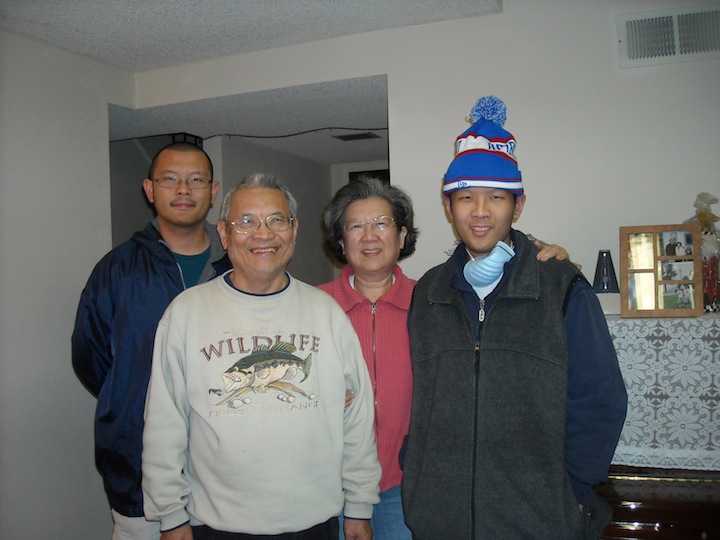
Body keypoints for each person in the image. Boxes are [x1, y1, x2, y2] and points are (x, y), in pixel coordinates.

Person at [401, 96, 628, 539]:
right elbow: (419, 397)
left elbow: (601, 401)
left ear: (517, 206)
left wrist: (572, 490)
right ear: (448, 207)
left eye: (496, 197)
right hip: (437, 517)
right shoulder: (428, 292)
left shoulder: (562, 288)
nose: (480, 211)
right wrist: (417, 473)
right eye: (465, 197)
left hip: (537, 519)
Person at [319, 176, 572, 539]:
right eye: (356, 226)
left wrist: (542, 254)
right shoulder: (315, 308)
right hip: (331, 490)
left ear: (402, 236)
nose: (370, 236)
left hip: (411, 489)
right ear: (341, 241)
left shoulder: (435, 299)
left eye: (382, 224)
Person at [141, 173, 381, 540]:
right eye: (246, 222)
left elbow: (358, 418)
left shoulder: (326, 312)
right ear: (224, 233)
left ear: (294, 229)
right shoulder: (185, 313)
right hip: (216, 527)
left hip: (315, 523)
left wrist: (360, 506)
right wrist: (171, 518)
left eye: (276, 220)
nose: (263, 234)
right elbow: (164, 423)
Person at [72, 142, 229, 540]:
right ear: (149, 189)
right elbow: (91, 358)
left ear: (213, 192)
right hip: (136, 467)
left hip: (225, 472)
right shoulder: (117, 270)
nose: (183, 190)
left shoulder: (237, 269)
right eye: (169, 179)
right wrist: (132, 393)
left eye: (196, 180)